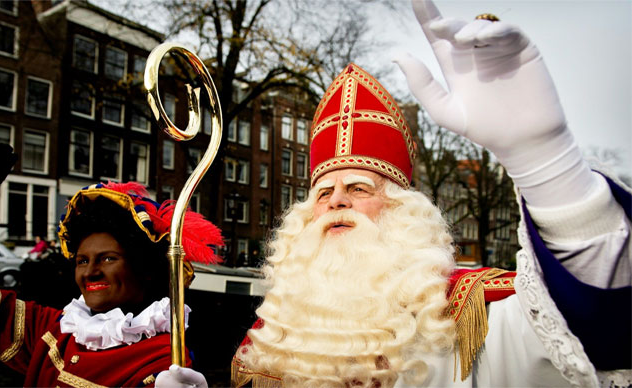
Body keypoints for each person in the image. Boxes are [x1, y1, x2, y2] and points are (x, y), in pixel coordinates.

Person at [161, 0, 631, 387]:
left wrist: (545, 160)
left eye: (359, 187)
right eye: (323, 193)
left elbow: (603, 328)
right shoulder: (273, 340)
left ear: (407, 216)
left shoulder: (475, 315)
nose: (335, 201)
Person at [0, 144, 224, 387]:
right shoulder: (54, 329)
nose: (90, 271)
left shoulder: (164, 361)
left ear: (144, 269)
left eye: (107, 258)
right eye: (82, 261)